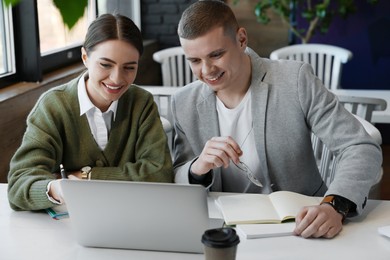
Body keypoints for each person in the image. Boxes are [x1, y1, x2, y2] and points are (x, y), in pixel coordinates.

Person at [172, 0, 382, 238]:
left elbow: (360, 147)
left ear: (241, 39)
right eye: (195, 61)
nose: (207, 70)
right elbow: (178, 173)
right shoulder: (183, 102)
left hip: (300, 227)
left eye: (216, 54)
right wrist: (197, 168)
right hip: (220, 231)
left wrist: (335, 205)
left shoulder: (294, 80)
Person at [8, 13, 173, 211]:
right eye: (105, 65)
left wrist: (86, 176)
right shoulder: (53, 105)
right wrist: (57, 188)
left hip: (129, 217)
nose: (116, 79)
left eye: (129, 67)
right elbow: (19, 185)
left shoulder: (142, 102)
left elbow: (160, 174)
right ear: (85, 57)